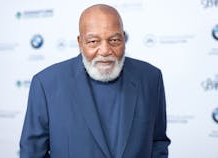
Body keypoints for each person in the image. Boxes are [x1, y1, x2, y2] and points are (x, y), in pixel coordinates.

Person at [20, 4, 170, 158]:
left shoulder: (151, 78)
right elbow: (32, 153)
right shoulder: (46, 84)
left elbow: (157, 142)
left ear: (123, 39)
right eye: (93, 41)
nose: (105, 51)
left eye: (114, 40)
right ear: (80, 43)